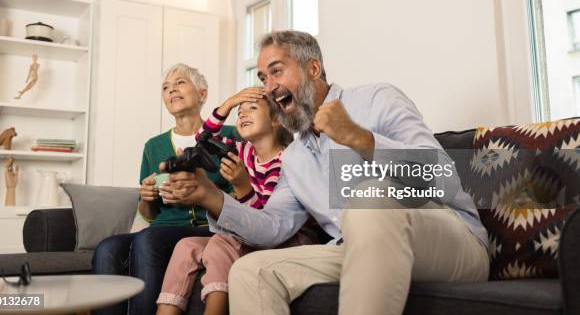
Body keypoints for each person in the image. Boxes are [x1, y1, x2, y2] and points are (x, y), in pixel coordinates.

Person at [165, 31, 490, 315]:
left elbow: (442, 176)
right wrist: (211, 197)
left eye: (276, 71)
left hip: (450, 240)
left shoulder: (374, 100)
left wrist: (362, 140)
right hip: (353, 250)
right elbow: (274, 227)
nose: (268, 88)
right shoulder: (295, 157)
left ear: (313, 68)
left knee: (369, 199)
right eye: (263, 78)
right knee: (252, 271)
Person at [156, 87, 317, 315]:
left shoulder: (287, 161)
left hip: (288, 237)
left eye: (252, 108)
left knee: (221, 242)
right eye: (239, 111)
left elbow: (265, 225)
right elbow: (204, 136)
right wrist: (228, 104)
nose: (241, 114)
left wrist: (243, 187)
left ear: (275, 119)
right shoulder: (241, 152)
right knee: (186, 246)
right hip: (250, 234)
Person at [92, 63, 237, 315]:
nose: (172, 90)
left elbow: (245, 192)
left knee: (148, 239)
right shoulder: (153, 146)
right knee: (107, 247)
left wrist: (202, 193)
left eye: (180, 83)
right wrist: (146, 196)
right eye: (165, 88)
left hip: (209, 226)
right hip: (165, 226)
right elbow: (148, 213)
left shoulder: (229, 135)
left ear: (202, 94)